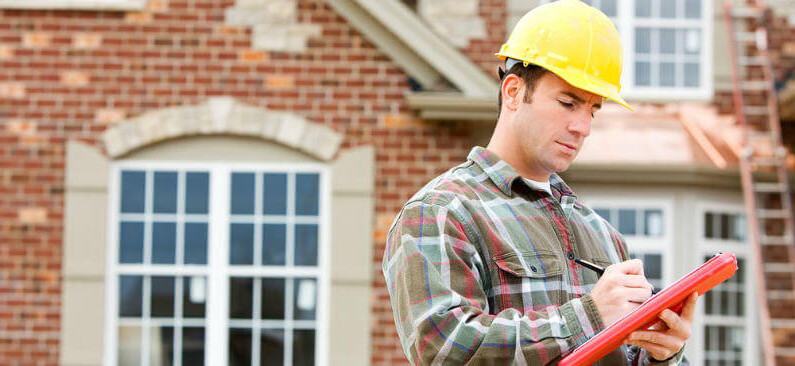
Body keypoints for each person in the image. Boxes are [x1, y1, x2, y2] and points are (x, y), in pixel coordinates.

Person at [381, 0, 697, 364]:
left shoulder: (603, 234)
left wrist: (664, 353)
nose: (583, 127)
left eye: (592, 110)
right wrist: (589, 316)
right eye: (568, 103)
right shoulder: (440, 212)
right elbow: (445, 348)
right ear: (514, 92)